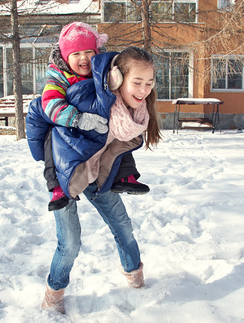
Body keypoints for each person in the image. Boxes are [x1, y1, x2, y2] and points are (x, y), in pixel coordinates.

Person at [26, 46, 161, 314]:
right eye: (137, 82)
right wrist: (41, 152)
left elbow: (117, 145)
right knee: (71, 242)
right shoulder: (83, 95)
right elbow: (37, 110)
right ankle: (53, 296)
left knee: (123, 226)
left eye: (149, 83)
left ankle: (137, 282)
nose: (144, 90)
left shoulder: (134, 113)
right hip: (68, 177)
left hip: (98, 176)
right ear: (117, 79)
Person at [39, 22, 150, 211]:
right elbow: (50, 104)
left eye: (89, 51)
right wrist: (77, 119)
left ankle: (125, 175)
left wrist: (115, 81)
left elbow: (114, 84)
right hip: (69, 128)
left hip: (99, 126)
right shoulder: (59, 77)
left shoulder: (101, 71)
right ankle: (57, 186)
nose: (83, 58)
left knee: (120, 129)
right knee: (52, 139)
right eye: (76, 54)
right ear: (66, 57)